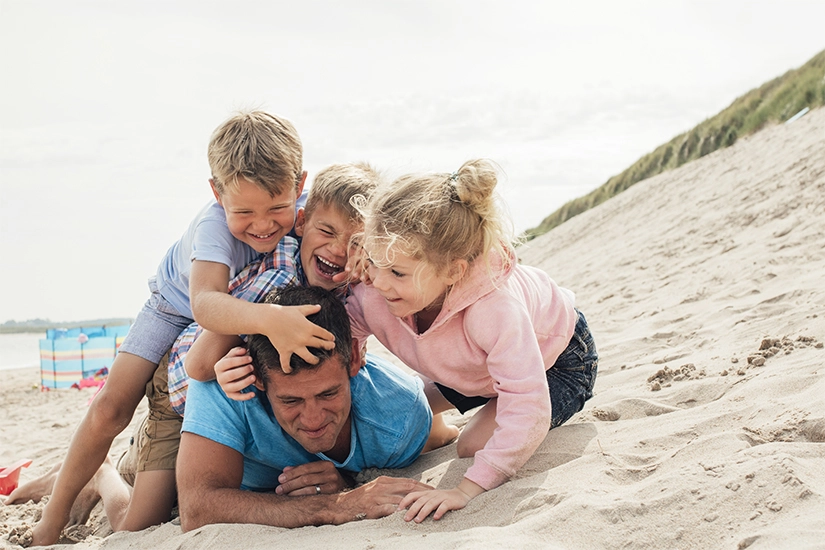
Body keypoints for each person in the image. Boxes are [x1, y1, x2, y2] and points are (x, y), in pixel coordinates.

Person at [28, 110, 332, 546]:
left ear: (299, 187)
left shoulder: (309, 216)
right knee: (111, 407)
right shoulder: (213, 227)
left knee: (145, 519)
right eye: (244, 211)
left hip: (227, 323)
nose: (263, 225)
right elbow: (205, 304)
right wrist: (268, 318)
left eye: (277, 208)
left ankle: (119, 471)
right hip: (175, 308)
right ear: (216, 192)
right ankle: (53, 519)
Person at [345, 159, 599, 522]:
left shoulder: (493, 309)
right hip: (472, 369)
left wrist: (467, 488)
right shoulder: (379, 291)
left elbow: (528, 404)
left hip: (556, 361)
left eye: (397, 272)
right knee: (402, 410)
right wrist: (349, 349)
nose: (380, 282)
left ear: (453, 271)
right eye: (374, 261)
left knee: (472, 445)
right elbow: (345, 329)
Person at [177, 284, 434, 530]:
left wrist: (346, 480)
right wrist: (338, 505)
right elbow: (197, 509)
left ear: (355, 358)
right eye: (291, 400)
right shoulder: (228, 387)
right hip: (175, 437)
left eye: (328, 394)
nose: (313, 419)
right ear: (256, 377)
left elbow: (432, 435)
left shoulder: (401, 417)